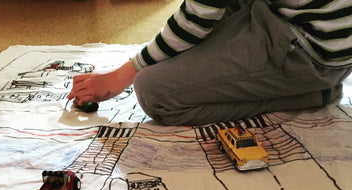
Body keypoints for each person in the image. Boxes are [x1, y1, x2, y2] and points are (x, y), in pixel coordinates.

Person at [68, 0, 352, 125]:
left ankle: (311, 93)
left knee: (154, 92)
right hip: (313, 29)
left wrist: (118, 78)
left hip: (312, 52)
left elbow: (194, 21)